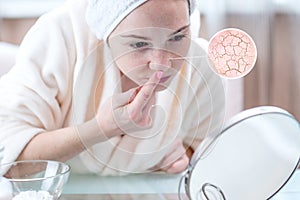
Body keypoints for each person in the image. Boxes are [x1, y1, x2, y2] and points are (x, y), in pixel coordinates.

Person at [0, 0, 225, 175]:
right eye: (139, 44)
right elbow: (9, 162)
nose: (162, 64)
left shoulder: (200, 65)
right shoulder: (58, 41)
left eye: (177, 37)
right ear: (105, 35)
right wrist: (100, 128)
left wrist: (181, 157)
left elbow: (208, 155)